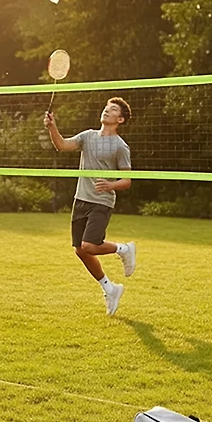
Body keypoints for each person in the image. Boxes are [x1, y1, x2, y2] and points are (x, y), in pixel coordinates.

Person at [44, 97, 135, 316]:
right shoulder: (87, 136)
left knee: (90, 246)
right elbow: (62, 145)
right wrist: (52, 127)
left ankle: (124, 249)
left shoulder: (121, 147)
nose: (106, 110)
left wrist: (110, 185)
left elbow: (127, 180)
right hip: (81, 199)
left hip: (101, 201)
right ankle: (110, 288)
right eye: (106, 107)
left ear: (120, 119)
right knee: (80, 250)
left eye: (112, 110)